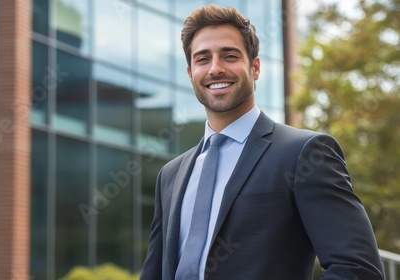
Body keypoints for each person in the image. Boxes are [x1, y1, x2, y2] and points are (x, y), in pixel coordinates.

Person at [140, 4, 385, 280]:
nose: (215, 68)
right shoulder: (170, 176)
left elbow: (358, 269)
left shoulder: (304, 153)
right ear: (190, 74)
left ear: (255, 67)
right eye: (202, 59)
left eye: (229, 56)